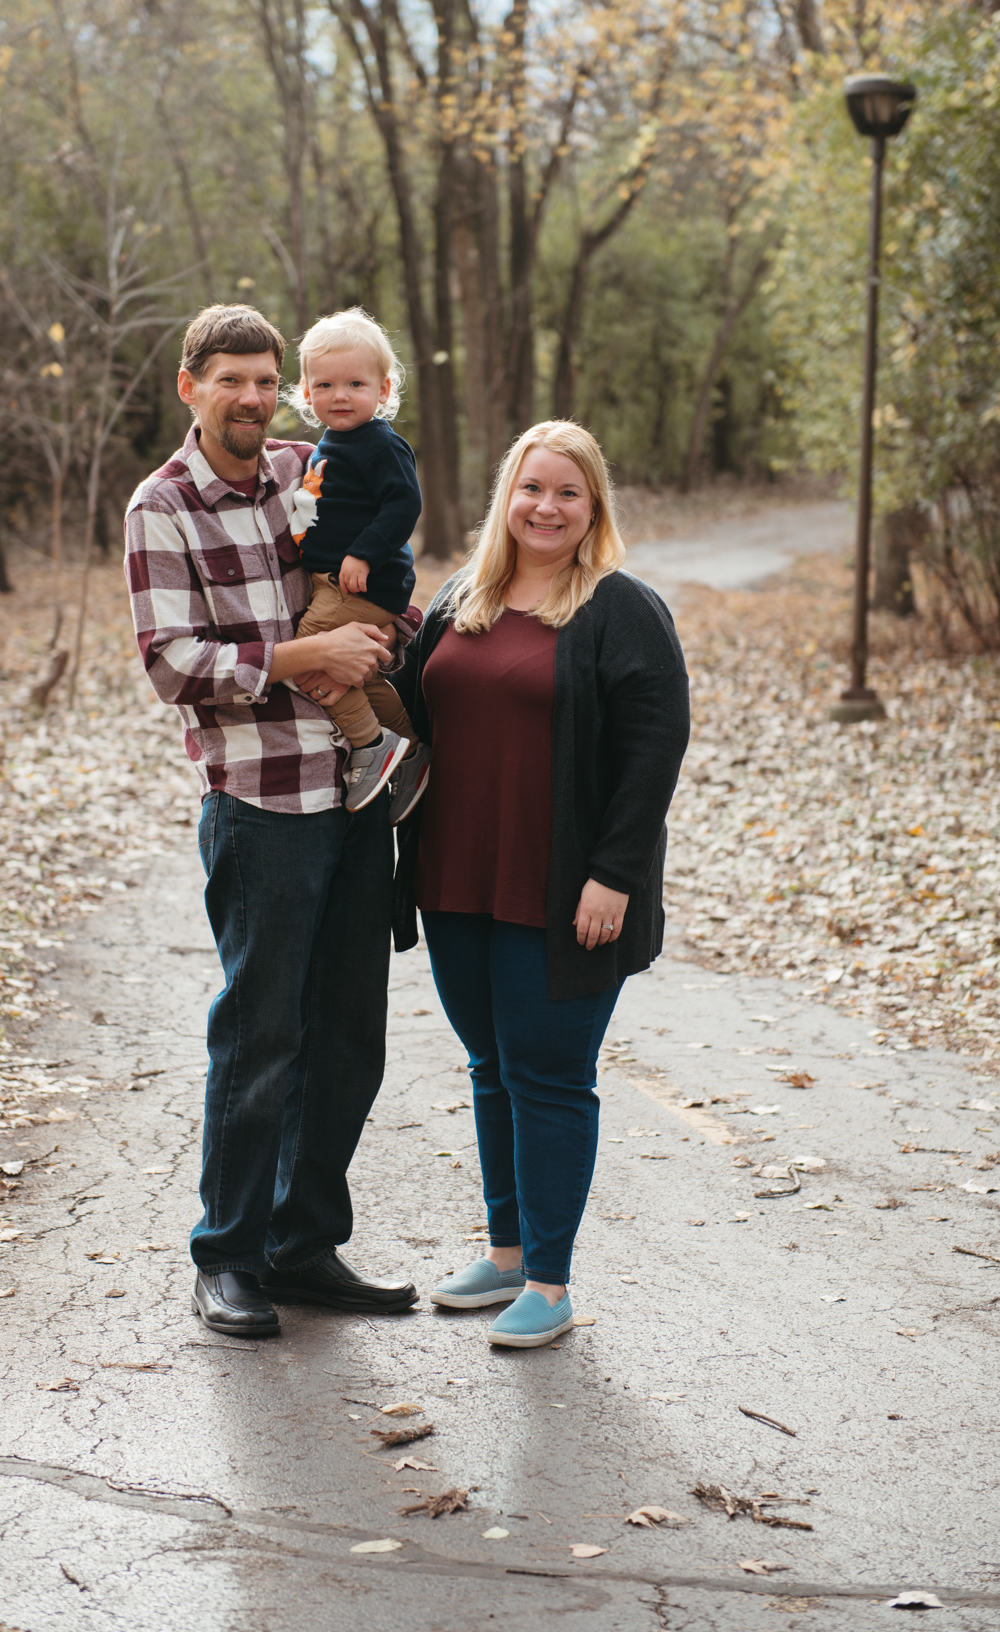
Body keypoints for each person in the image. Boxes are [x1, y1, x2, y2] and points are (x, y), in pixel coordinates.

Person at [123, 302, 420, 1337]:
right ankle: (229, 1256)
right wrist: (307, 660)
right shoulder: (161, 507)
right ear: (189, 387)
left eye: (263, 379)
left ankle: (303, 1247)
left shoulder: (312, 465)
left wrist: (386, 623)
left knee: (347, 1037)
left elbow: (389, 545)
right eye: (228, 380)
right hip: (260, 807)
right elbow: (172, 665)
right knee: (261, 1037)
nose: (250, 397)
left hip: (354, 798)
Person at [389, 421, 690, 1348]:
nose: (545, 507)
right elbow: (410, 709)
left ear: (592, 505)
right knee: (490, 1068)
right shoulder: (460, 597)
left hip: (562, 891)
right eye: (531, 489)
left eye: (566, 492)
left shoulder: (618, 607)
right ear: (505, 499)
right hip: (454, 880)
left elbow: (654, 750)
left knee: (549, 1078)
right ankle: (509, 1253)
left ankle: (551, 1286)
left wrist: (613, 878)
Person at [285, 308, 430, 819]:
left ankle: (372, 745)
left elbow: (403, 505)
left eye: (355, 383)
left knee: (305, 653)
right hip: (338, 582)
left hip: (365, 584)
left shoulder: (380, 443)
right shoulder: (334, 440)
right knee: (362, 680)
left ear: (383, 388)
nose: (339, 395)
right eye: (324, 384)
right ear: (305, 392)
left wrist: (363, 553)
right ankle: (414, 751)